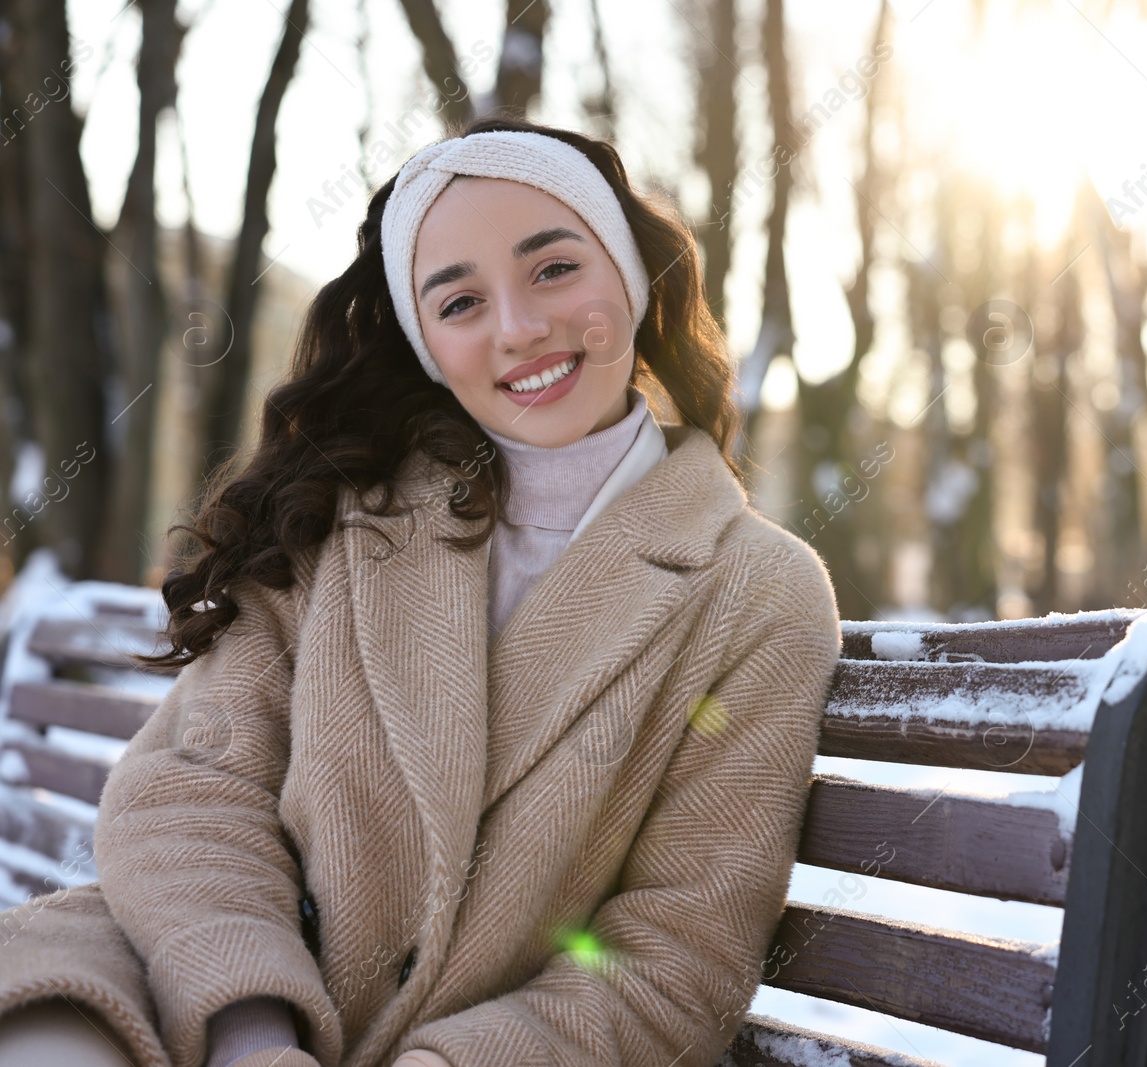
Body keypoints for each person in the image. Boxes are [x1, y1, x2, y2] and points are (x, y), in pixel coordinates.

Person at [0, 116, 842, 1067]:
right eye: (459, 302)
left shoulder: (757, 592)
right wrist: (250, 1032)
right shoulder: (336, 513)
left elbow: (671, 960)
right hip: (188, 979)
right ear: (425, 342)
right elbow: (192, 788)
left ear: (629, 273)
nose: (519, 329)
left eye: (554, 269)